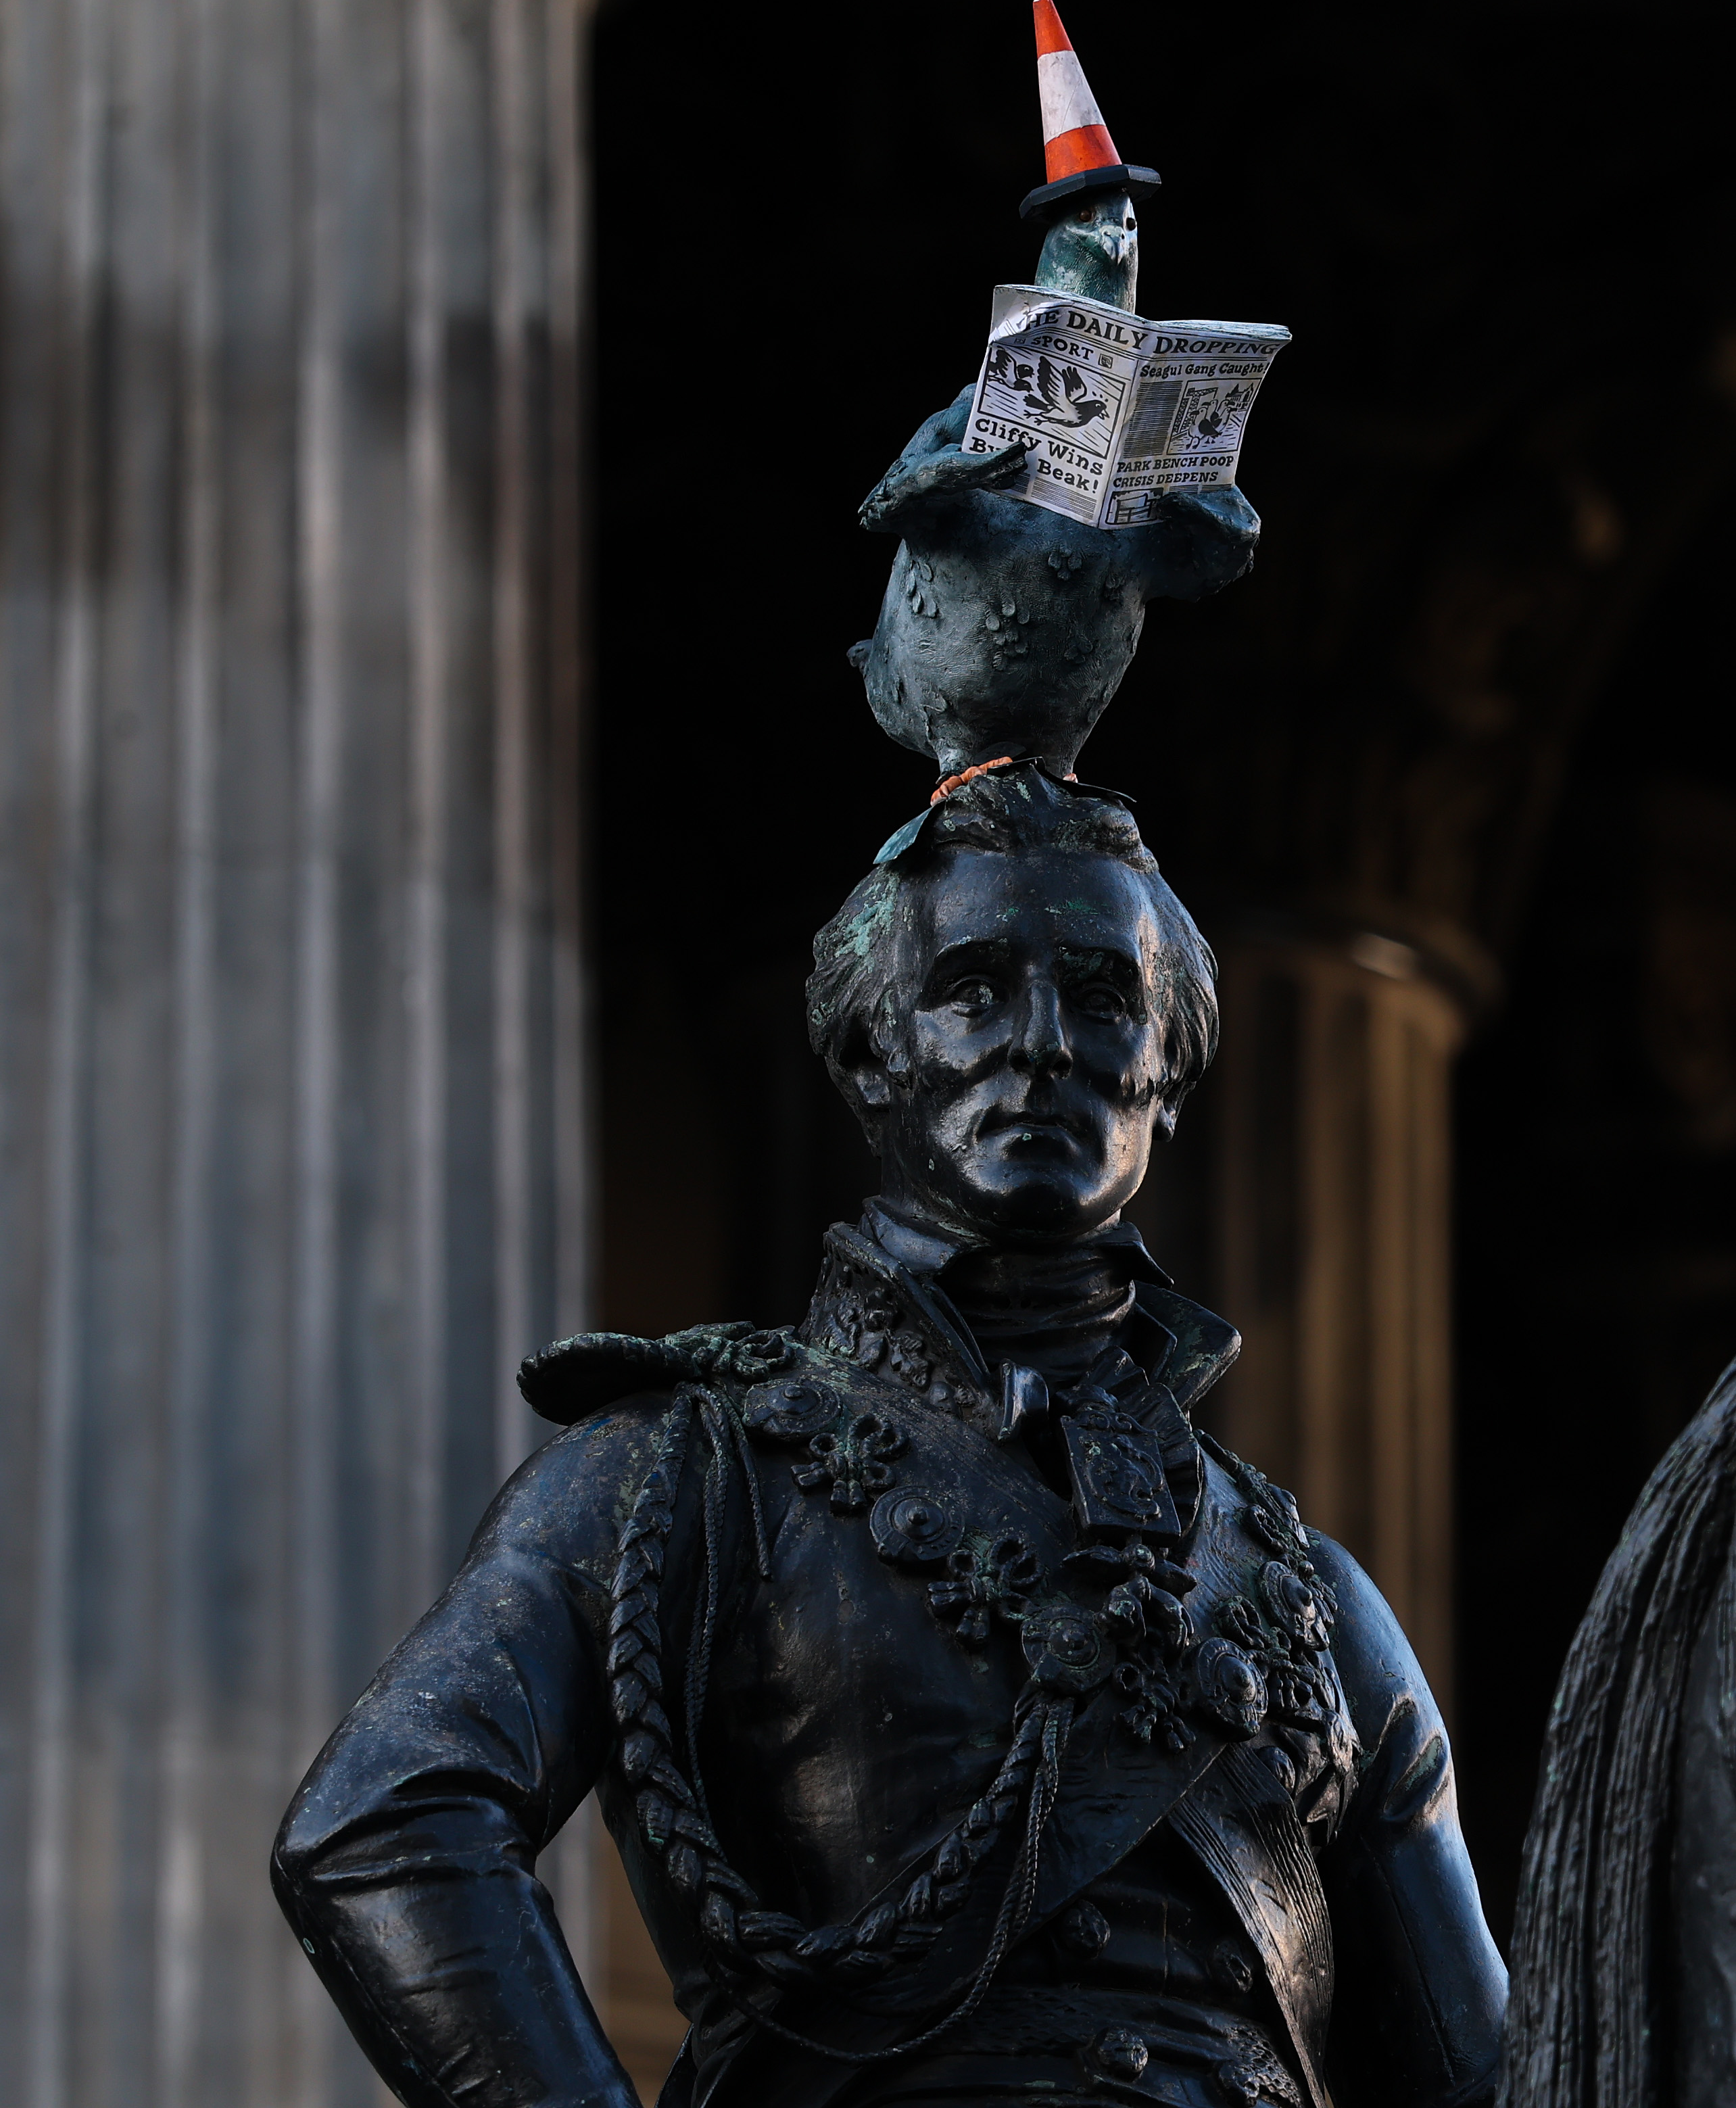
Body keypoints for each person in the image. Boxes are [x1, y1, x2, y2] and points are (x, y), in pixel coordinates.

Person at [274, 765, 1505, 2108]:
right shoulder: (679, 1477)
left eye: (1102, 995)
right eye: (975, 985)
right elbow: (387, 1821)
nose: (1041, 1039)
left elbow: (1486, 2070)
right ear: (870, 1053)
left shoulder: (1312, 1594)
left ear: (1169, 1072)